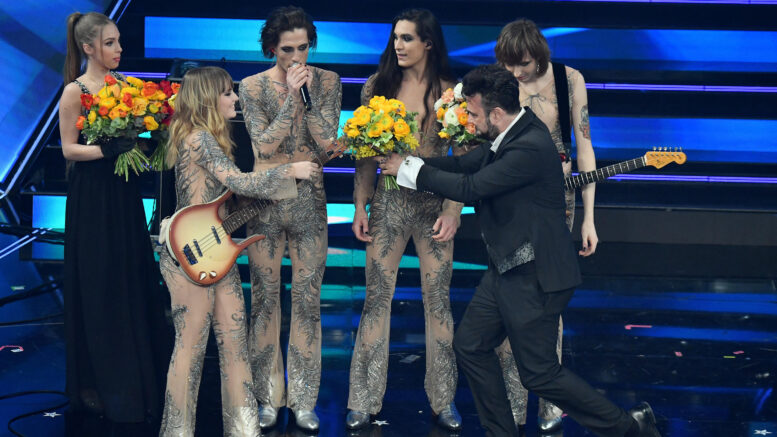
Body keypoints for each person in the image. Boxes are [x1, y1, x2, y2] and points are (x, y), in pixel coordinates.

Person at [380, 64, 661, 437]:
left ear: (496, 113)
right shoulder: (510, 133)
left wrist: (409, 170)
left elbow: (470, 187)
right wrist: (407, 165)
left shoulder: (528, 146)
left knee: (539, 374)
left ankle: (630, 428)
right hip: (506, 269)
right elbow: (463, 164)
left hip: (536, 276)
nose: (469, 121)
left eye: (474, 114)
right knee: (471, 345)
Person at [156, 66, 319, 436]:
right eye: (228, 93)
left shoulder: (212, 138)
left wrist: (273, 191)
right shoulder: (200, 139)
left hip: (215, 253)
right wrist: (289, 171)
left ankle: (244, 430)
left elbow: (228, 196)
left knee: (234, 345)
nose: (235, 99)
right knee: (190, 350)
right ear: (208, 99)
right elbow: (239, 181)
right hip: (187, 259)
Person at [345, 8, 463, 431]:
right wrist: (360, 205)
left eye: (407, 38)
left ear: (428, 43)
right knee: (376, 298)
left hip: (434, 206)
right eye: (395, 37)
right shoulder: (377, 88)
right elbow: (364, 156)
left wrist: (453, 210)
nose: (398, 45)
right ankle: (362, 400)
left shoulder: (451, 93)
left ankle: (444, 400)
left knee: (438, 302)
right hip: (389, 204)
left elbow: (463, 160)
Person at [59, 12, 170, 434]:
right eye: (110, 43)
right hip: (92, 198)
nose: (119, 49)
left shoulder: (127, 87)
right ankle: (99, 384)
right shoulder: (76, 91)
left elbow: (143, 131)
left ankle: (142, 379)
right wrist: (108, 150)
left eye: (119, 41)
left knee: (131, 277)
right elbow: (69, 149)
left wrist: (152, 133)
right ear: (88, 48)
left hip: (124, 196)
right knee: (100, 282)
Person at [490, 17, 601, 432]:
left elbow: (585, 148)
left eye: (523, 64)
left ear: (539, 55)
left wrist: (589, 218)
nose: (516, 72)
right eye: (509, 64)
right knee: (509, 293)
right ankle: (513, 402)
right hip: (508, 201)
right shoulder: (497, 81)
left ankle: (550, 400)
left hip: (556, 203)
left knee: (546, 295)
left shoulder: (569, 80)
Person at [238, 6, 342, 432]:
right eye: (287, 50)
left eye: (302, 48)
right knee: (265, 300)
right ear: (271, 49)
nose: (296, 57)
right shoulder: (251, 86)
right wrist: (289, 102)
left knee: (307, 302)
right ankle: (268, 396)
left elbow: (329, 144)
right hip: (266, 203)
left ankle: (303, 399)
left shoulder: (328, 82)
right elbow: (263, 146)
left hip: (309, 203)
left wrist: (307, 99)